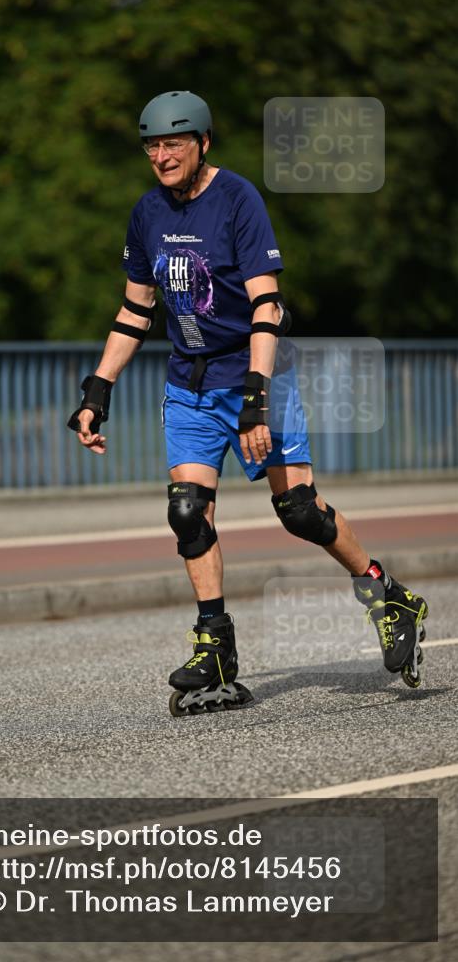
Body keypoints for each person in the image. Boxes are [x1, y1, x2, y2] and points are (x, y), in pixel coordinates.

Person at [68, 91, 428, 715]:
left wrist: (256, 400)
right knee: (187, 512)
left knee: (298, 511)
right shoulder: (146, 213)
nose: (161, 155)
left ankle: (387, 593)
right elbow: (135, 310)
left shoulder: (237, 199)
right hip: (189, 384)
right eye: (151, 145)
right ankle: (215, 649)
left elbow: (268, 304)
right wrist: (97, 389)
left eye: (173, 143)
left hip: (257, 375)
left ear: (203, 143)